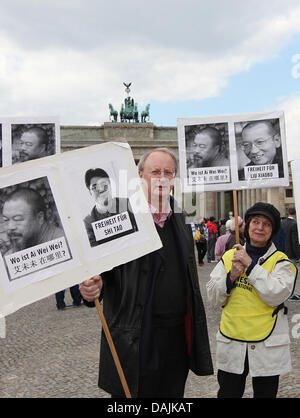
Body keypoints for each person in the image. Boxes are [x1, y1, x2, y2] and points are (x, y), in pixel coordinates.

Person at [79, 148, 213, 398]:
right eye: (155, 172)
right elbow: (102, 276)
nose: (162, 178)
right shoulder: (117, 217)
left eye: (168, 172)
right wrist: (92, 289)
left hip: (176, 338)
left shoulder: (182, 217)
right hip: (136, 337)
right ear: (139, 176)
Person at [206, 202, 297, 398]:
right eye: (255, 222)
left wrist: (251, 267)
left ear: (272, 231)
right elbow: (212, 295)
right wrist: (230, 277)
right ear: (247, 226)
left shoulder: (282, 261)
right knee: (228, 393)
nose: (260, 228)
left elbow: (276, 294)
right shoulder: (231, 256)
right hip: (232, 337)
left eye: (266, 224)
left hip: (267, 342)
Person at [83, 168, 138, 247]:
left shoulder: (127, 204)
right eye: (94, 187)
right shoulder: (88, 222)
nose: (101, 189)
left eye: (103, 184)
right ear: (90, 192)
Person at [1, 187, 64, 255]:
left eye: (17, 219)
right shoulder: (10, 255)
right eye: (6, 220)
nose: (10, 227)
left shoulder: (63, 244)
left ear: (40, 218)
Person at [281, 207, 300, 301]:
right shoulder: (294, 224)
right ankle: (291, 295)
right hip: (291, 253)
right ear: (295, 214)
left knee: (285, 275)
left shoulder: (282, 222)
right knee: (292, 275)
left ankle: (288, 294)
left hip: (283, 252)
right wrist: (298, 256)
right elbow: (295, 241)